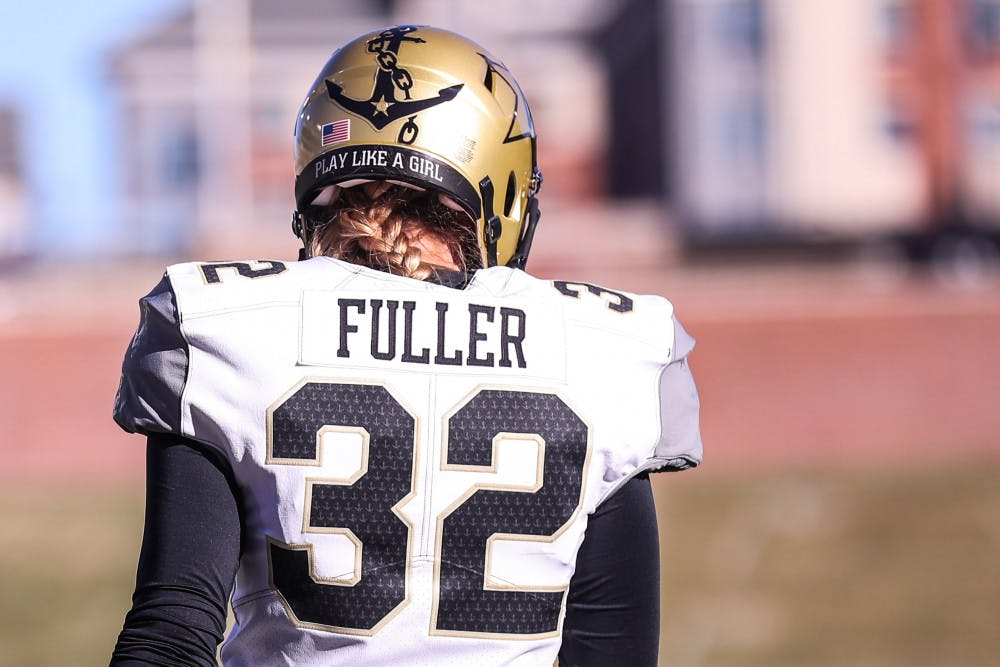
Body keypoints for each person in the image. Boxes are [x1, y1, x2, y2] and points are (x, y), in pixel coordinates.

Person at [110, 24, 702, 666]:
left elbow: (169, 637)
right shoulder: (605, 352)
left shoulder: (228, 327)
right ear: (502, 188)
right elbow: (614, 655)